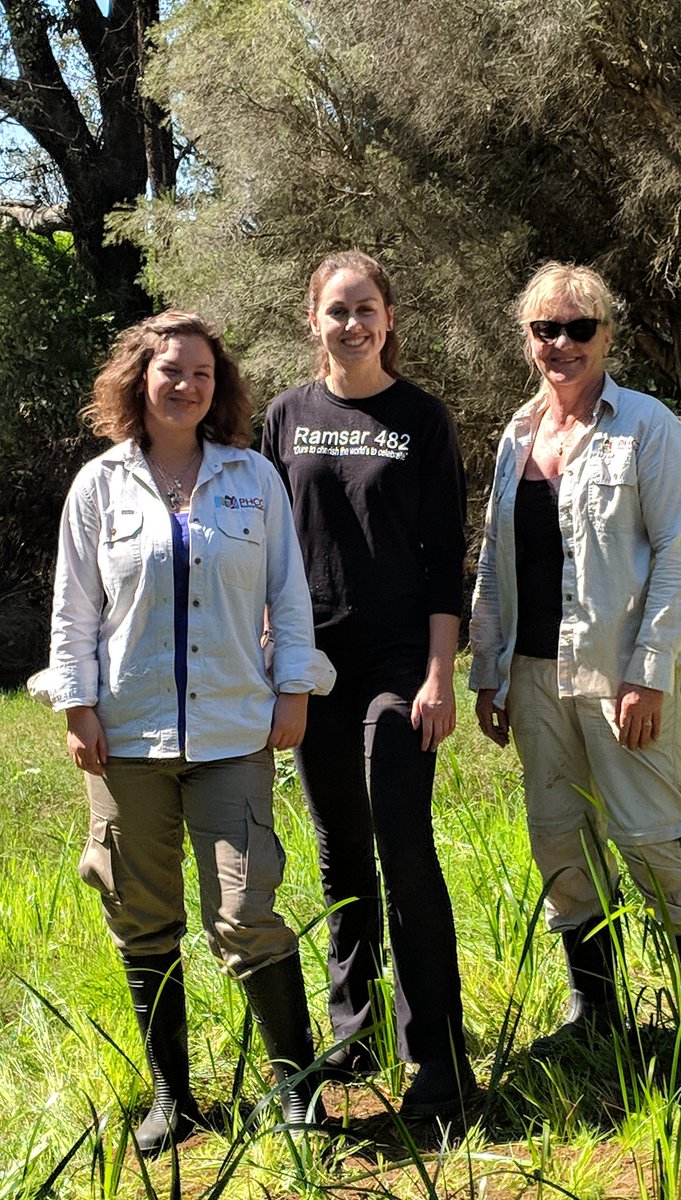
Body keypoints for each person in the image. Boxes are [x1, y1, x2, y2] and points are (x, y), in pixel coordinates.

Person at [29, 312, 336, 1156]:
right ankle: (174, 1094)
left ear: (219, 386)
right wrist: (76, 706)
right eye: (171, 370)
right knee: (143, 915)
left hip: (235, 730)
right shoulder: (98, 486)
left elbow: (291, 592)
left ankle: (296, 1085)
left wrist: (294, 689)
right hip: (125, 737)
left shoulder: (252, 479)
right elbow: (74, 607)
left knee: (247, 914)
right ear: (140, 379)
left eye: (202, 373)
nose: (187, 385)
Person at [470, 262, 681, 1063]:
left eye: (578, 329)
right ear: (527, 340)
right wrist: (485, 667)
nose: (561, 344)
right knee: (561, 840)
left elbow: (676, 553)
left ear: (607, 336)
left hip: (618, 676)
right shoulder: (516, 435)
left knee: (655, 839)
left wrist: (649, 670)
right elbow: (496, 558)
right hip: (530, 675)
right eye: (544, 330)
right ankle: (597, 1013)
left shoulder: (648, 427)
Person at [261, 250, 473, 1119]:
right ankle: (355, 1030)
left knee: (401, 837)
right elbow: (270, 550)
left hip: (396, 669)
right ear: (313, 318)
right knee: (338, 844)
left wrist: (438, 676)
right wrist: (273, 658)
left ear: (389, 320)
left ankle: (442, 1061)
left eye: (367, 310)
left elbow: (443, 561)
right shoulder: (285, 416)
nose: (352, 324)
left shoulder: (422, 418)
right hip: (314, 668)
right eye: (337, 310)